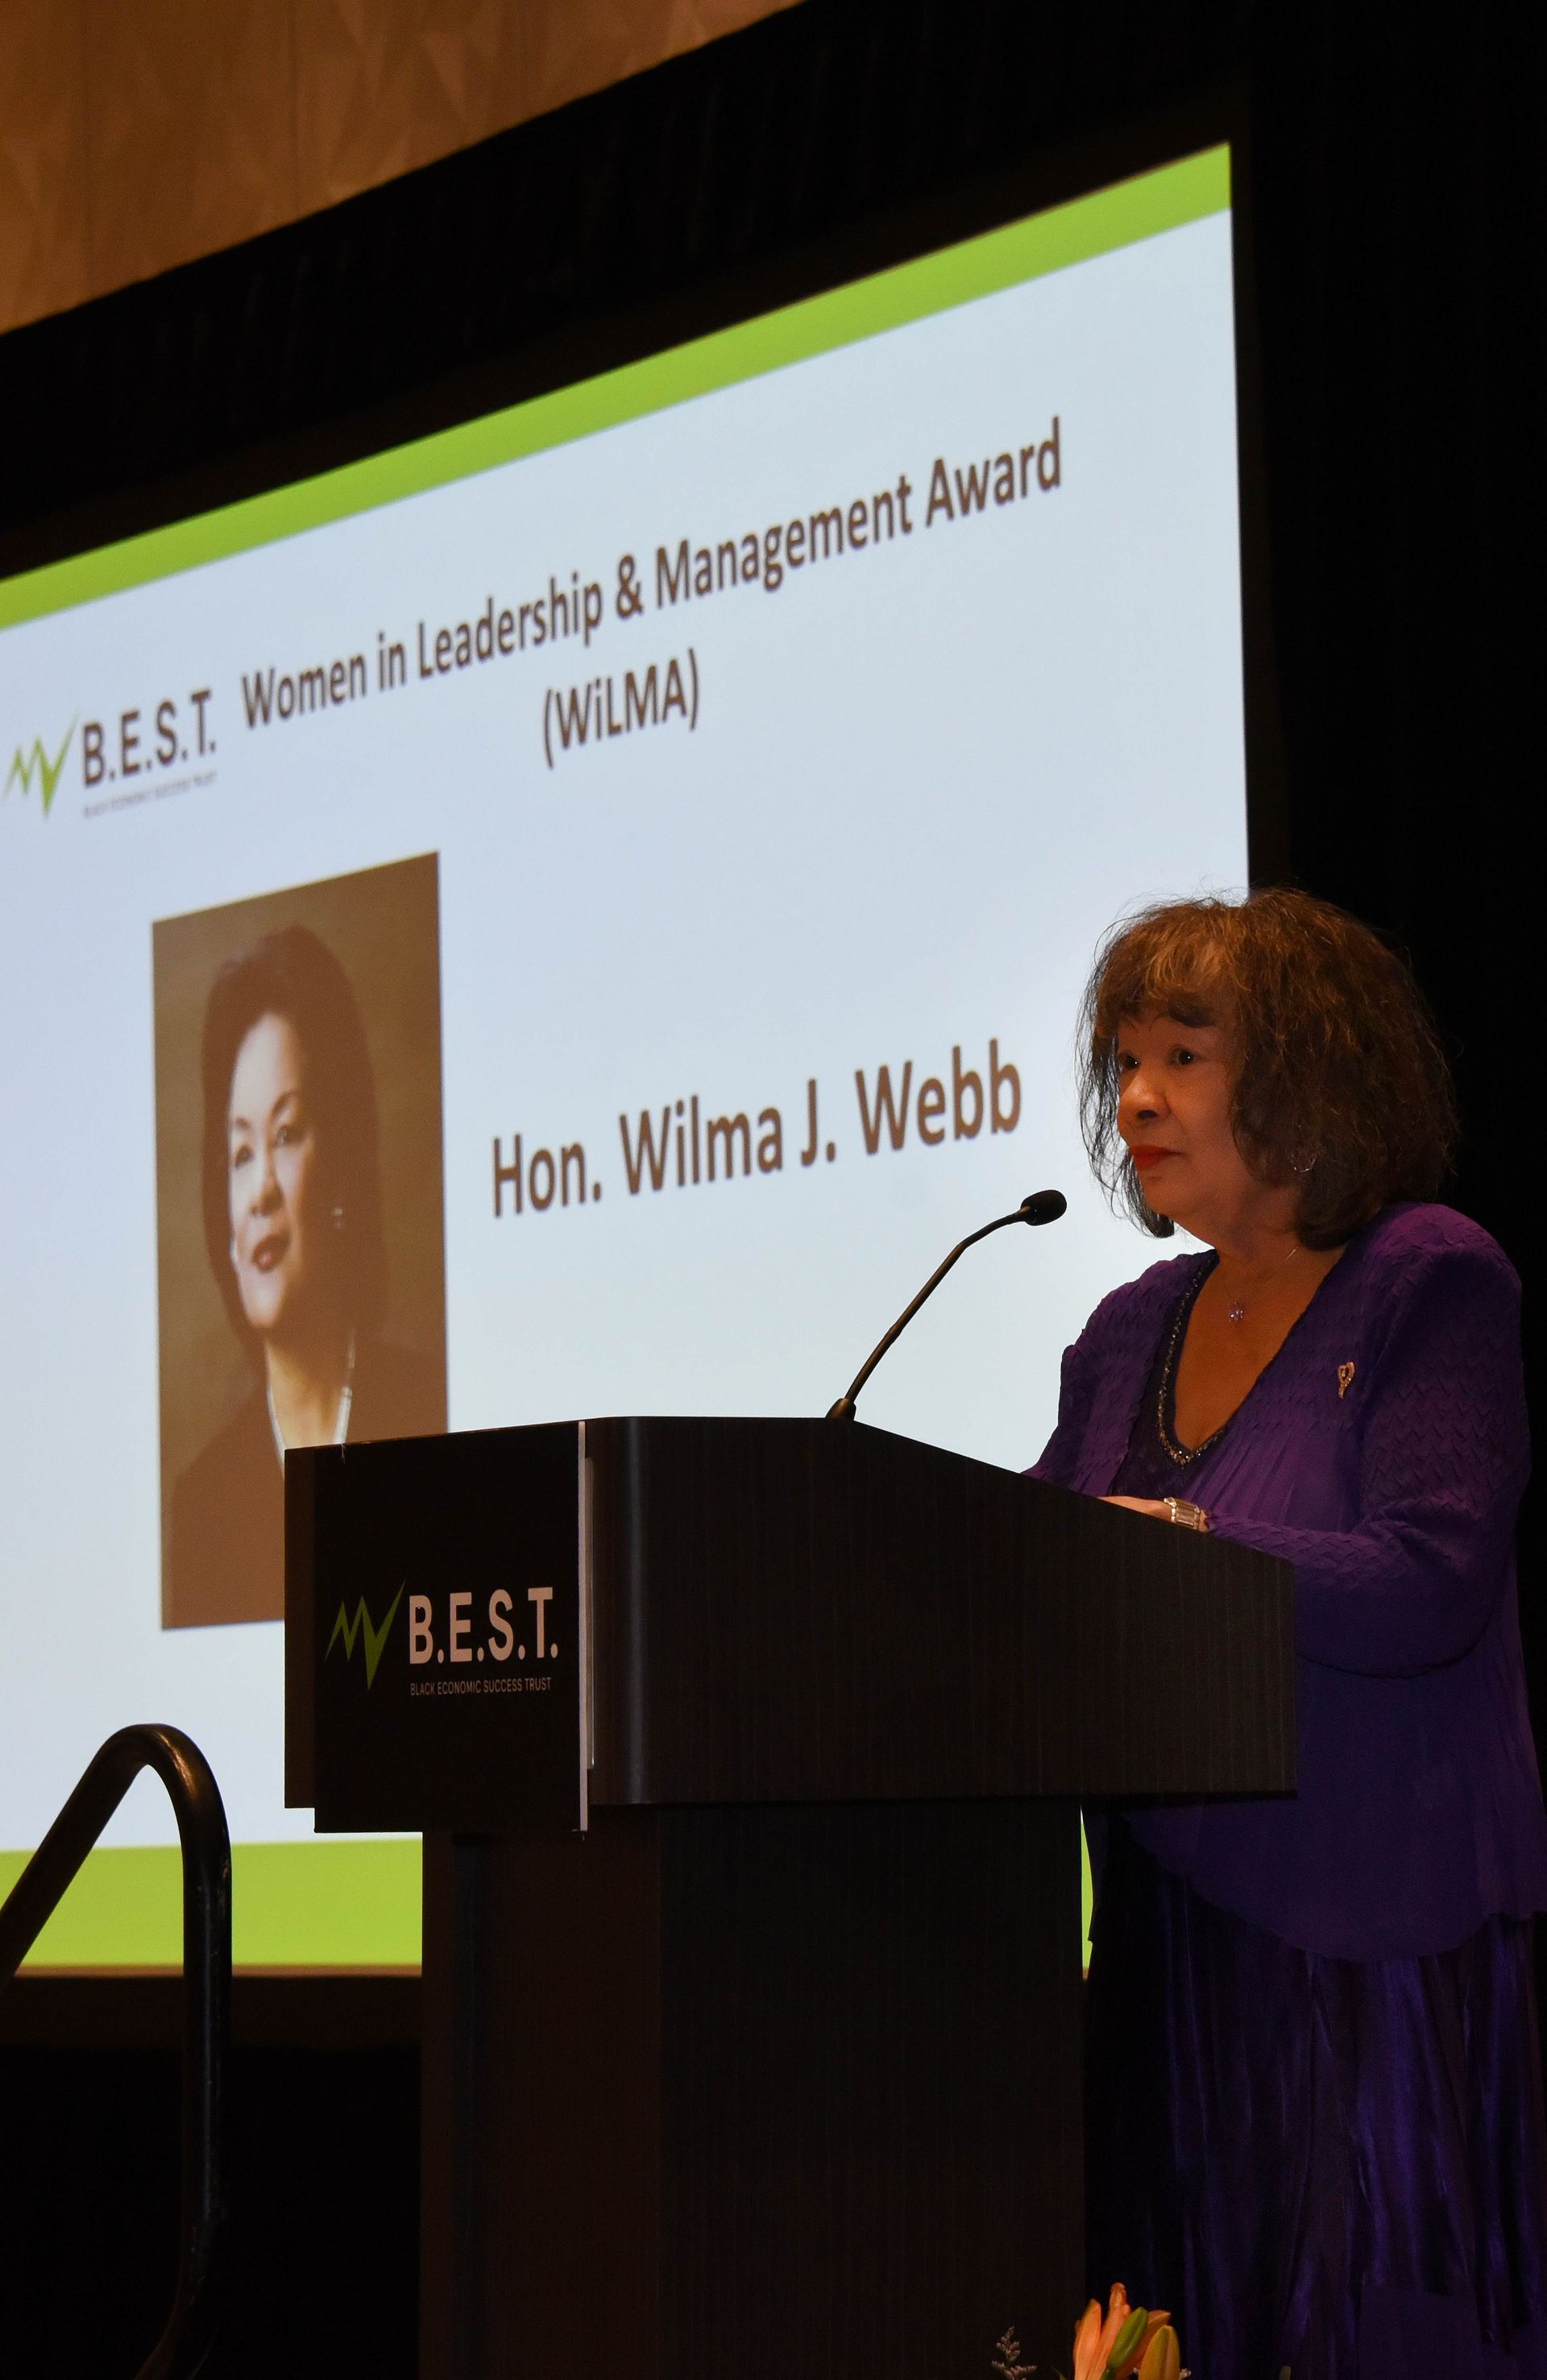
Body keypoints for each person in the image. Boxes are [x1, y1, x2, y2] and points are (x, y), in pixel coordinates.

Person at [1031, 889, 1547, 2378]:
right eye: (1124, 1059)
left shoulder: (1429, 1276)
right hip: (1164, 1954)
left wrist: (1187, 1543)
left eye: (1181, 1054)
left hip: (1369, 1956)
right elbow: (1030, 1563)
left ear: (1308, 1078)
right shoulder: (1129, 1326)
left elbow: (1429, 1576)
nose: (1135, 1097)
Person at [168, 924, 443, 1626]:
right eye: (238, 1154)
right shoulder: (202, 1501)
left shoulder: (434, 1420)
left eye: (286, 1136)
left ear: (342, 1166)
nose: (258, 1190)